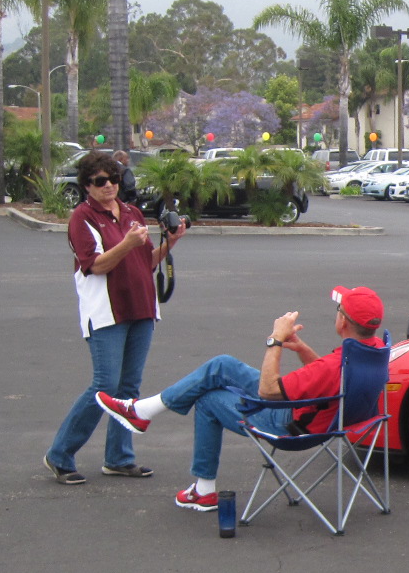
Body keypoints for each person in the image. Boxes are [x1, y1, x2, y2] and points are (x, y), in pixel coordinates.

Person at [95, 286, 386, 511]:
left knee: (209, 398)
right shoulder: (374, 351)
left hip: (288, 425)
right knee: (221, 366)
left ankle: (201, 484)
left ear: (343, 321)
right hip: (330, 423)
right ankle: (143, 414)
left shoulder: (335, 366)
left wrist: (276, 341)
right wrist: (299, 348)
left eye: (338, 308)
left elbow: (268, 390)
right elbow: (333, 383)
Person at [44, 151, 185, 485]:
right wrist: (125, 243)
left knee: (128, 388)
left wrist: (171, 243)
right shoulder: (83, 218)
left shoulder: (132, 212)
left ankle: (119, 457)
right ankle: (60, 454)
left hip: (141, 308)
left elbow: (145, 261)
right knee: (104, 386)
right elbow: (95, 264)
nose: (108, 186)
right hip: (107, 312)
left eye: (114, 179)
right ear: (87, 185)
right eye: (100, 181)